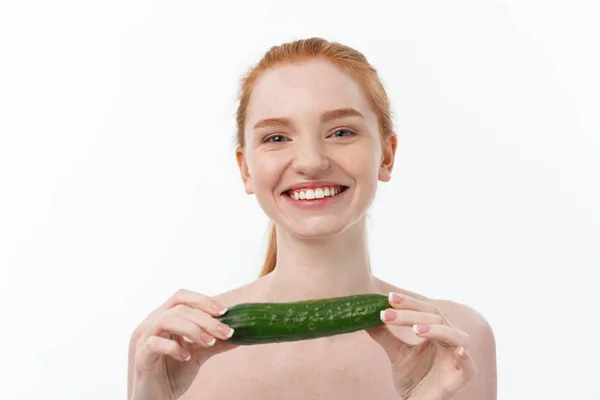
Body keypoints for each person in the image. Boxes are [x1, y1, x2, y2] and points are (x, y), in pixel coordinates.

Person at [127, 37, 497, 400]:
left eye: (341, 132)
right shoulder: (173, 346)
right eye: (276, 138)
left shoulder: (452, 341)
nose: (310, 161)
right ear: (246, 171)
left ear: (386, 155)